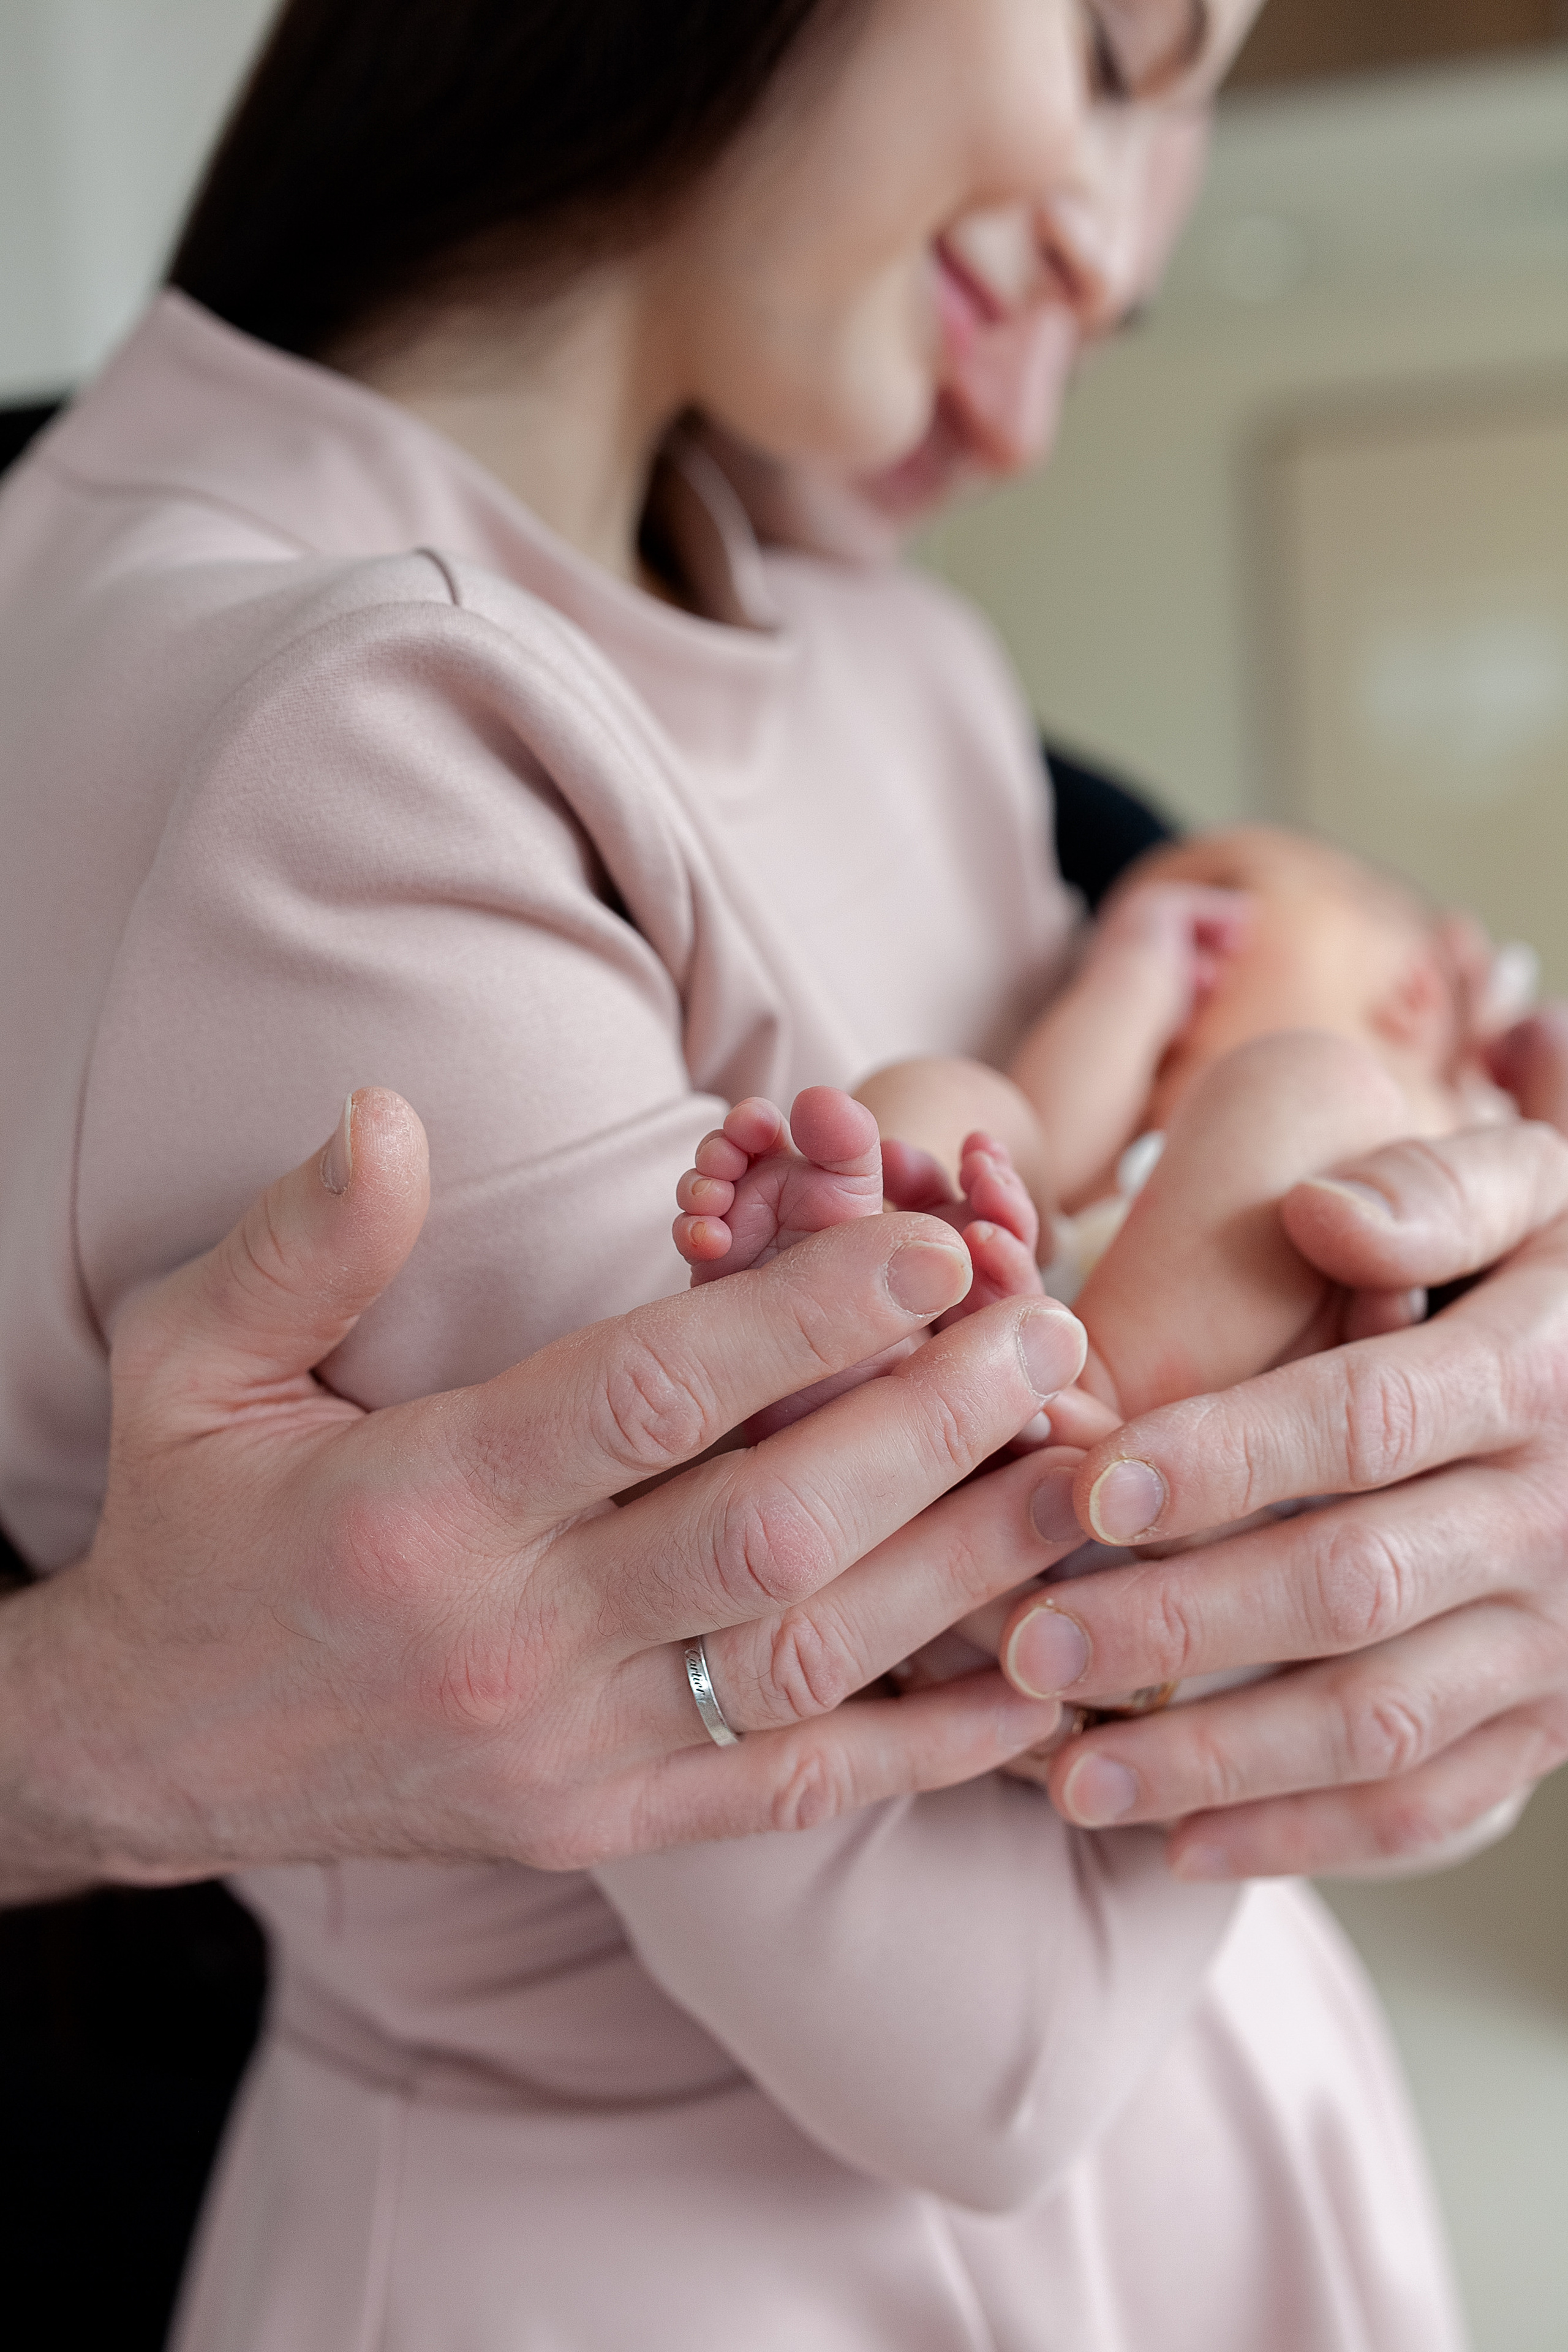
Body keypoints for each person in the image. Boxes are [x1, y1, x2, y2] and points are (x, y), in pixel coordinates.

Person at [0, 1, 1490, 2345]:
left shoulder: (908, 663)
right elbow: (987, 2036)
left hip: (1215, 2175)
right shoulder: (329, 738)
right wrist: (1343, 1527)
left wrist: (1447, 1492)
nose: (1112, 257)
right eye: (1124, 49)